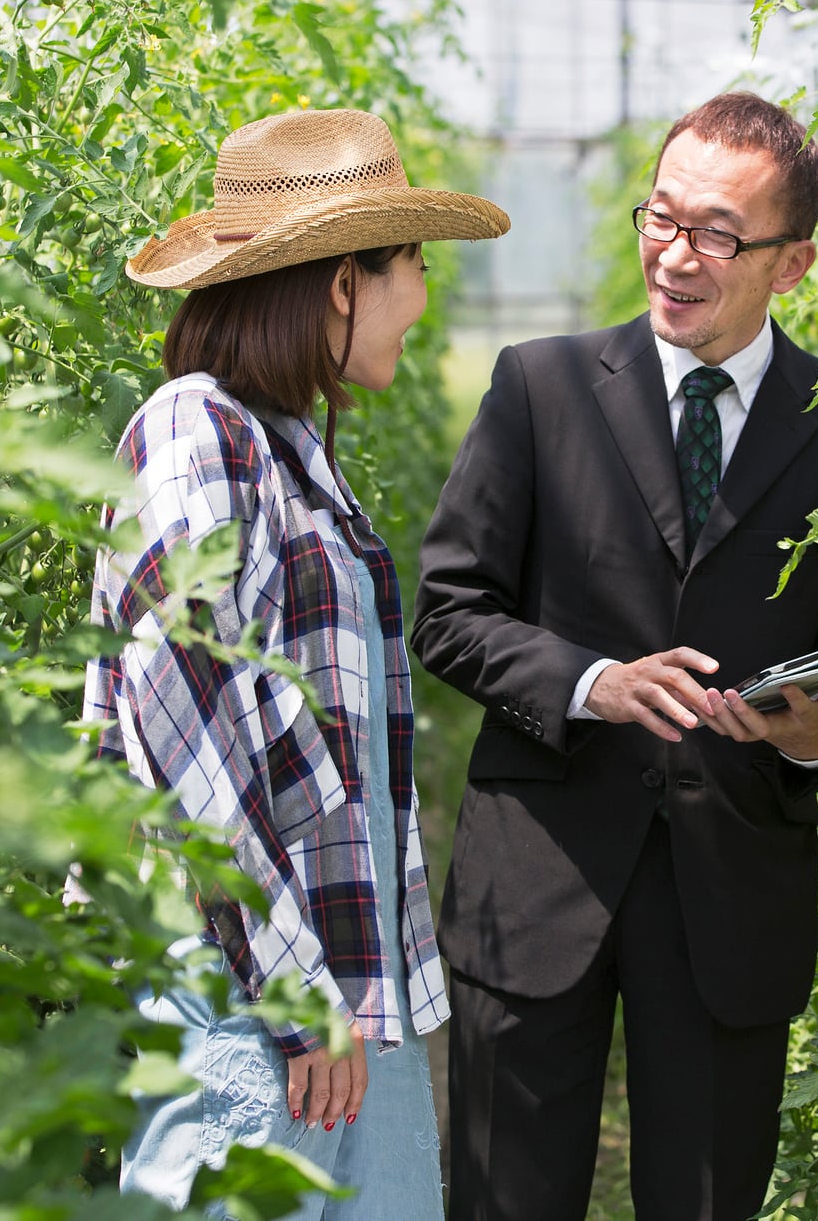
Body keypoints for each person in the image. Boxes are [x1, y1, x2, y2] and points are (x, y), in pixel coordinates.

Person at [413, 92, 818, 1220]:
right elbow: (448, 608)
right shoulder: (541, 388)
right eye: (663, 218)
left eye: (719, 234)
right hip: (541, 881)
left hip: (729, 890)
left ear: (792, 263)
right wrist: (595, 683)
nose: (678, 256)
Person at [83, 108, 508, 1216]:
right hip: (248, 1004)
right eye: (411, 262)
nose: (423, 294)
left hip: (333, 1000)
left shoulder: (286, 454)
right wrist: (294, 990)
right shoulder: (196, 433)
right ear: (338, 282)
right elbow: (187, 732)